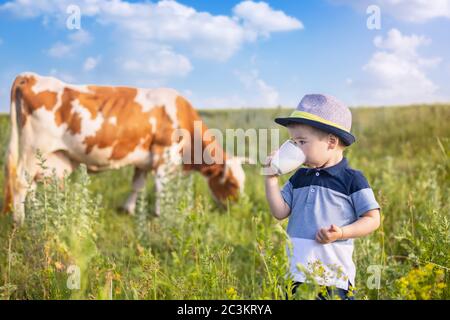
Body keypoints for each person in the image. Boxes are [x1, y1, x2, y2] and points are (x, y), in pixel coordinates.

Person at [263, 94, 381, 300]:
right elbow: (280, 212)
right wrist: (271, 179)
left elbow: (373, 219)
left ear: (331, 142)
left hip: (333, 279)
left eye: (301, 142)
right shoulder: (299, 177)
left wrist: (342, 232)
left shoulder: (352, 180)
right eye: (292, 142)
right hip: (296, 274)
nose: (295, 148)